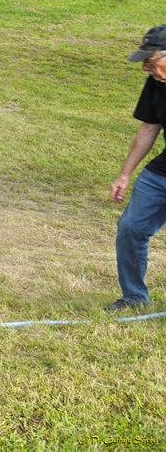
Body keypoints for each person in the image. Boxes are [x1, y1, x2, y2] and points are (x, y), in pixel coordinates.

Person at [106, 24, 166, 310]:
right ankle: (133, 297)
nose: (146, 69)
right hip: (162, 171)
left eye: (150, 61)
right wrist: (124, 173)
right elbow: (149, 128)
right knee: (131, 227)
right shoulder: (156, 82)